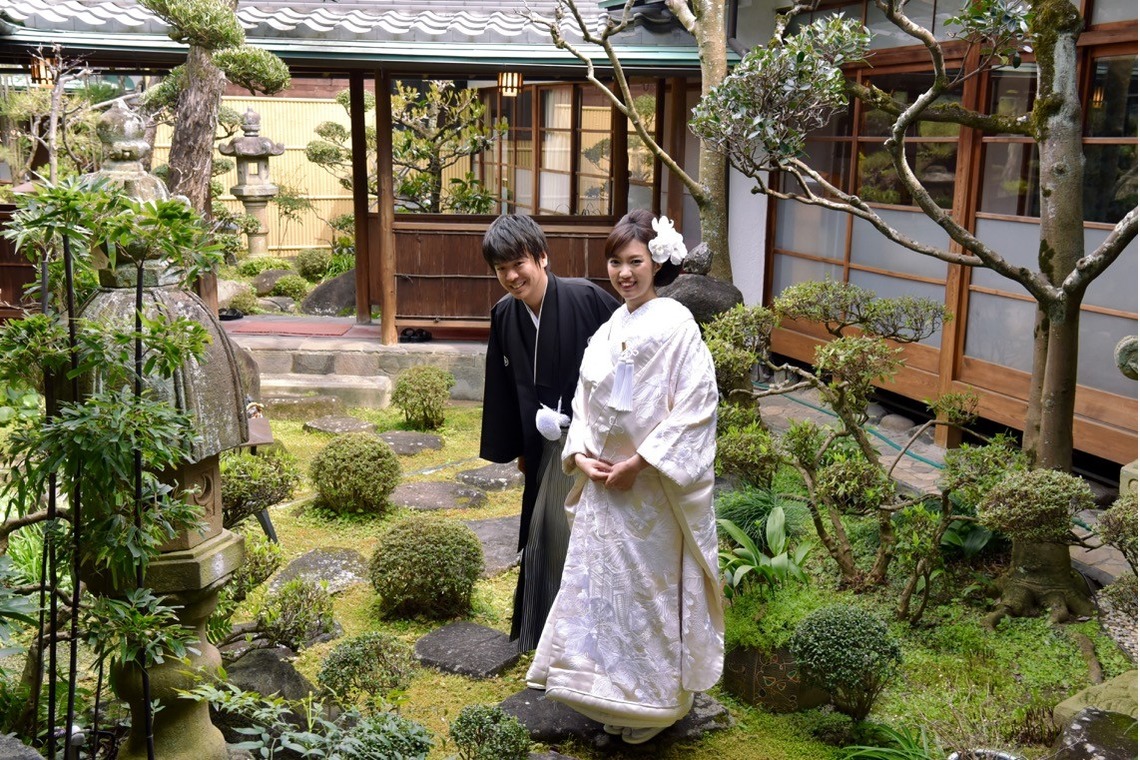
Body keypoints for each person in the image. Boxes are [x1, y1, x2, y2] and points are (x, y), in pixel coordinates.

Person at [526, 209, 724, 745]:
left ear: (656, 263)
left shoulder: (678, 325)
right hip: (603, 488)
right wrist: (580, 455)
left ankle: (651, 706)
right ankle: (604, 696)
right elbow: (584, 403)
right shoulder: (609, 327)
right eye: (615, 262)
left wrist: (642, 461)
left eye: (635, 261)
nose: (624, 273)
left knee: (646, 597)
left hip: (650, 492)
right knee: (600, 594)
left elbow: (698, 406)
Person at [479, 214, 620, 652]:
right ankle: (548, 638)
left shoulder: (587, 298)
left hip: (592, 445)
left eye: (518, 263)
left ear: (541, 257)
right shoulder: (505, 314)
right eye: (501, 268)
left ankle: (585, 638)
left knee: (582, 535)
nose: (511, 276)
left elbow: (626, 364)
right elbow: (503, 387)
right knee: (546, 535)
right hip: (543, 447)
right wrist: (521, 448)